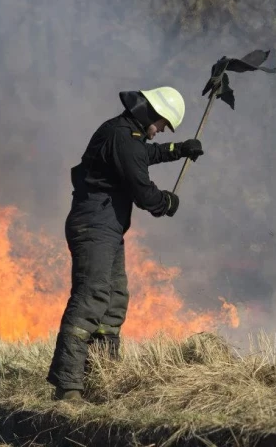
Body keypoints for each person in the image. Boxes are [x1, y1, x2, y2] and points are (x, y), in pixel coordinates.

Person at [47, 87, 204, 401]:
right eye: (161, 124)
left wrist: (179, 148)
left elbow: (147, 154)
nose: (160, 131)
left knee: (114, 299)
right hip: (95, 224)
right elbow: (144, 193)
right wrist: (166, 202)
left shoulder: (125, 134)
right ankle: (68, 387)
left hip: (107, 226)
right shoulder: (123, 138)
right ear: (149, 111)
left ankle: (100, 380)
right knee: (92, 297)